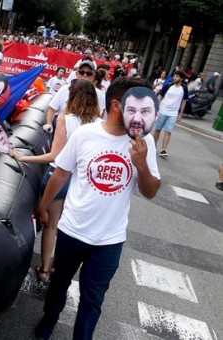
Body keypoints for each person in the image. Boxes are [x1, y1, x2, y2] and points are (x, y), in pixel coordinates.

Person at [34, 77, 160, 340]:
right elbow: (60, 174)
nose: (141, 115)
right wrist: (43, 207)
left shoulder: (142, 144)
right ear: (117, 105)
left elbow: (150, 192)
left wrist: (141, 164)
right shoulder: (85, 134)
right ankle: (49, 318)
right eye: (134, 107)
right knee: (59, 285)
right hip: (72, 231)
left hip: (109, 240)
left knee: (93, 300)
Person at [12, 79, 102, 283]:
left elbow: (55, 156)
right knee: (68, 227)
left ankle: (44, 269)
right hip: (82, 182)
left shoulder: (66, 119)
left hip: (60, 178)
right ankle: (59, 269)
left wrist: (24, 157)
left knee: (50, 225)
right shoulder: (98, 124)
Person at [152, 70, 187, 158]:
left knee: (168, 131)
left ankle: (163, 150)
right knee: (158, 129)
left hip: (173, 113)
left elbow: (184, 101)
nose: (174, 78)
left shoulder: (184, 88)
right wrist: (156, 108)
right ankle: (153, 145)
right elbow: (160, 96)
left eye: (177, 76)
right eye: (174, 76)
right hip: (163, 110)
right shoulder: (168, 86)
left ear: (181, 78)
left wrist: (180, 114)